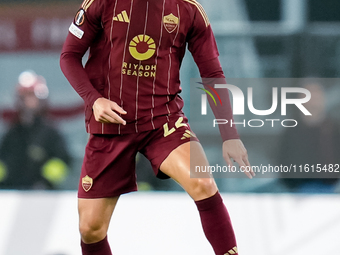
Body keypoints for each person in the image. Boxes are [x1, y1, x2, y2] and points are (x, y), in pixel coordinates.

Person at [60, 1, 254, 254]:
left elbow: (212, 73)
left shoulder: (189, 9)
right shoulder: (102, 3)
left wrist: (230, 135)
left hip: (162, 122)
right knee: (90, 229)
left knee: (203, 184)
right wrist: (94, 99)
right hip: (111, 126)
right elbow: (69, 56)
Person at [0, 71, 71, 190]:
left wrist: (45, 183)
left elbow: (62, 161)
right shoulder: (11, 134)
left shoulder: (51, 133)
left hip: (44, 197)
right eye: (24, 96)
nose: (28, 101)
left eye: (31, 96)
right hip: (10, 196)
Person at [277, 79, 340, 193]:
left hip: (332, 190)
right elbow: (284, 163)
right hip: (298, 192)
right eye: (308, 97)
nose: (313, 101)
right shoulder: (291, 131)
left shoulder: (334, 129)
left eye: (316, 96)